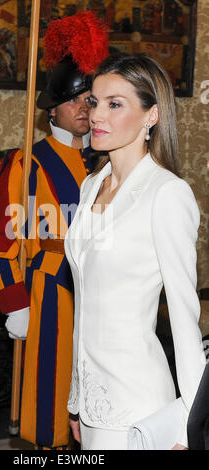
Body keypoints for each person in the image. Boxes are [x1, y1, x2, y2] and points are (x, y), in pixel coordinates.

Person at [0, 12, 109, 449]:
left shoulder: (106, 162)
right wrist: (14, 303)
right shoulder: (28, 163)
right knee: (49, 393)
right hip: (50, 291)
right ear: (52, 108)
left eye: (93, 100)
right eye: (76, 101)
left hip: (102, 290)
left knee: (97, 392)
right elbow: (4, 242)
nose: (86, 110)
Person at [64, 53, 205, 450]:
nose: (95, 115)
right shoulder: (91, 185)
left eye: (115, 104)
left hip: (137, 404)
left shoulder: (167, 194)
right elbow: (85, 306)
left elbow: (183, 318)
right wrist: (78, 401)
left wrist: (187, 427)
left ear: (151, 115)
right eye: (94, 101)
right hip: (92, 405)